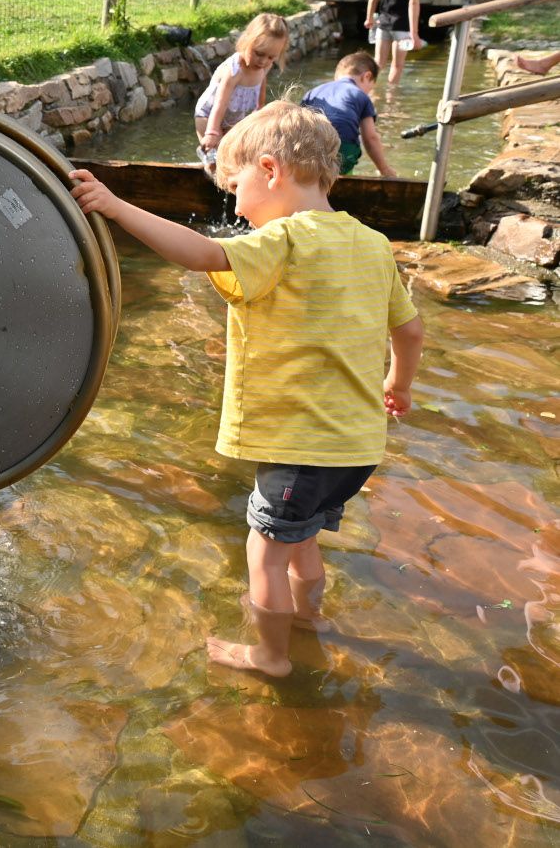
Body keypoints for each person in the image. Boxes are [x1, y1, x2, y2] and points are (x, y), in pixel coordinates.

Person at [69, 101, 424, 678]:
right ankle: (308, 620)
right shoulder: (373, 243)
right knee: (304, 543)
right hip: (357, 448)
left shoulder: (283, 240)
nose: (233, 204)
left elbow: (203, 254)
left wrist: (114, 206)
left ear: (270, 170)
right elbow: (408, 331)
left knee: (264, 551)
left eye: (234, 188)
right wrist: (397, 386)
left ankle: (271, 656)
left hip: (299, 449)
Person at [193, 13, 289, 171]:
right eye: (259, 53)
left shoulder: (265, 65)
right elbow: (220, 102)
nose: (263, 61)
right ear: (247, 41)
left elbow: (262, 81)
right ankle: (209, 171)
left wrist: (260, 108)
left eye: (271, 57)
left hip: (235, 116)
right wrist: (211, 132)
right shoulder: (235, 70)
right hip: (209, 115)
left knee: (235, 158)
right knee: (216, 156)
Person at [301, 51, 397, 177]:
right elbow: (370, 138)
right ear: (366, 77)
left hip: (308, 149)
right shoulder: (360, 95)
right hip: (342, 150)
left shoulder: (312, 92)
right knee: (343, 169)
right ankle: (346, 178)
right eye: (371, 88)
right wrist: (384, 169)